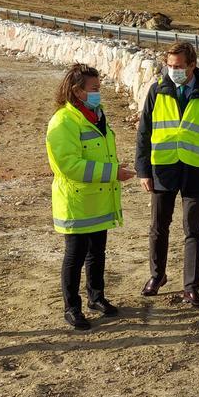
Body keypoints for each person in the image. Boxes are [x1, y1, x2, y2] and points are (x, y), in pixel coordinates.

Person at [135, 41, 199, 307]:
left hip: (196, 171)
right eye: (169, 65)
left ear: (192, 65)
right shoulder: (157, 90)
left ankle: (191, 287)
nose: (172, 70)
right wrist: (143, 170)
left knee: (193, 230)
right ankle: (157, 275)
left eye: (178, 66)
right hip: (163, 169)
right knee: (158, 227)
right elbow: (143, 133)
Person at [46, 64, 136, 330]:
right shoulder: (64, 121)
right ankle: (71, 307)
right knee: (75, 256)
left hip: (98, 199)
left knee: (97, 252)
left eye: (99, 88)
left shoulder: (96, 115)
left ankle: (96, 297)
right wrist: (113, 173)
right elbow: (68, 164)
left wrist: (112, 174)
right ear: (77, 90)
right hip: (77, 201)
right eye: (94, 89)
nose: (99, 93)